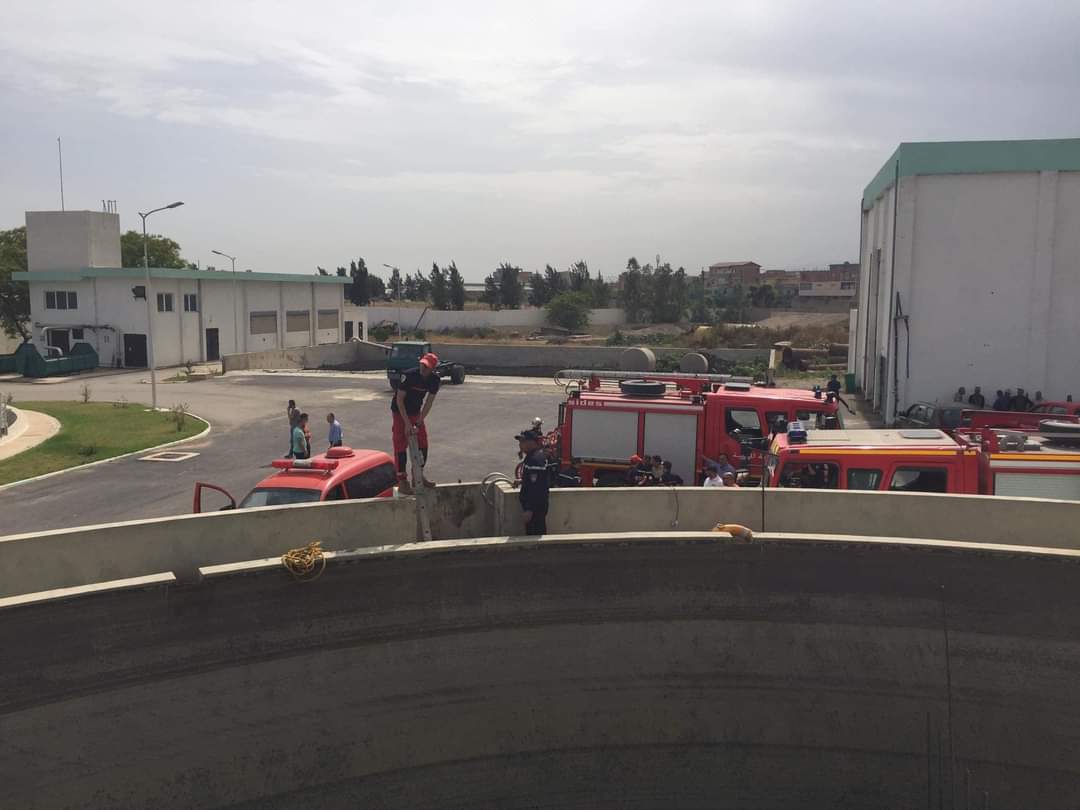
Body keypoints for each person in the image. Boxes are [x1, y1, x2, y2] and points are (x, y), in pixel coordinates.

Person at [391, 351, 440, 494]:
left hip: (415, 412)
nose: (423, 368)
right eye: (422, 365)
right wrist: (407, 423)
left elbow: (429, 402)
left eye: (427, 367)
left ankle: (418, 474)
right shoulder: (409, 375)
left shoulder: (434, 380)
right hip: (400, 412)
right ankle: (402, 481)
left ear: (432, 369)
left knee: (423, 442)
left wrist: (419, 421)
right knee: (400, 444)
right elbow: (399, 399)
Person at [516, 428, 550, 535]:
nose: (520, 445)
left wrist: (529, 509)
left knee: (535, 535)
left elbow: (537, 487)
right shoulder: (532, 456)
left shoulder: (535, 460)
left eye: (523, 441)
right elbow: (533, 481)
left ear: (531, 442)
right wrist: (522, 481)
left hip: (535, 510)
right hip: (535, 508)